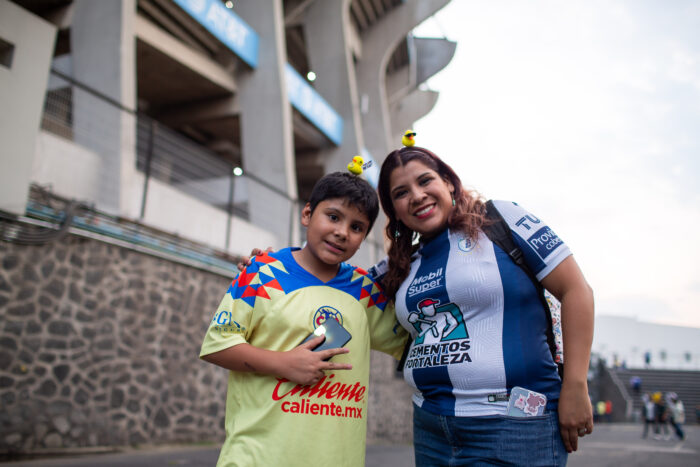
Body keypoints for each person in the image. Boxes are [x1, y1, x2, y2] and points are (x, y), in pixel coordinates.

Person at [372, 146, 595, 465]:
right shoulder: (401, 264)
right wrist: (276, 262)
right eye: (401, 193)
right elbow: (339, 284)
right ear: (394, 210)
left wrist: (576, 385)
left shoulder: (501, 219)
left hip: (515, 427)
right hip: (431, 427)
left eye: (425, 181)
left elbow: (576, 291)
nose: (418, 196)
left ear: (448, 182)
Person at [200, 172, 408, 466]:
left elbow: (416, 342)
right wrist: (284, 364)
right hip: (257, 458)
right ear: (307, 214)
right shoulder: (262, 271)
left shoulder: (365, 292)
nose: (342, 232)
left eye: (357, 227)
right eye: (333, 217)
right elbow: (217, 344)